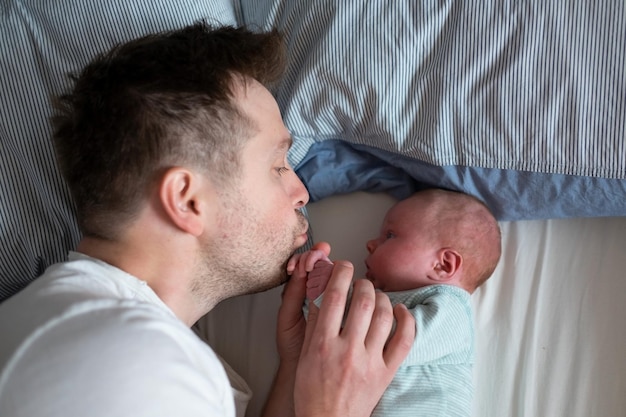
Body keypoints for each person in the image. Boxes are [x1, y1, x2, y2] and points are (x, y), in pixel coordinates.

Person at [0, 22, 416, 417]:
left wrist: (301, 373)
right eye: (277, 167)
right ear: (188, 199)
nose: (302, 193)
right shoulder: (131, 361)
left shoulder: (95, 336)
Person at [288, 188, 502, 416]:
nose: (370, 243)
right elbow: (333, 339)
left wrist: (332, 293)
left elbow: (394, 341)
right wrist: (311, 284)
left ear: (443, 265)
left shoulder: (452, 311)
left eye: (390, 235)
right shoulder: (385, 299)